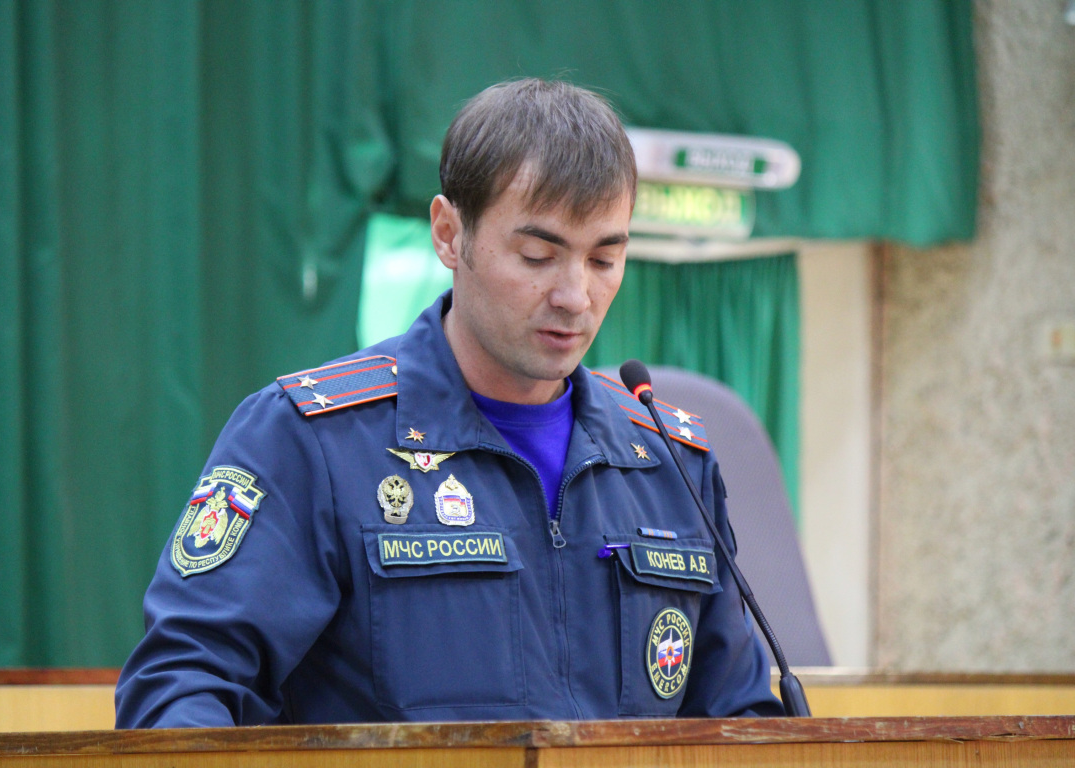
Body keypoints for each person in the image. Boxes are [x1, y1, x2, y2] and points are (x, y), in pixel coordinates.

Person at [115, 78, 784, 728]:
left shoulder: (670, 463)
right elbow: (182, 686)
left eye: (604, 260)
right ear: (448, 233)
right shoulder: (312, 441)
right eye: (537, 255)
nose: (575, 296)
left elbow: (741, 721)